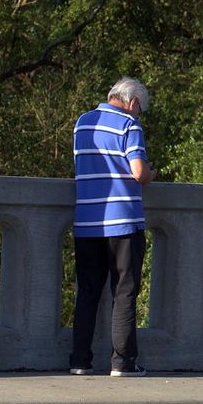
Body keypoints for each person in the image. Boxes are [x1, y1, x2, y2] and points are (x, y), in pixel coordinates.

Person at [70, 77, 156, 377]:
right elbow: (138, 172)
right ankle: (123, 362)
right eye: (140, 110)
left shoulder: (83, 123)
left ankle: (79, 361)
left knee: (88, 292)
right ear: (133, 103)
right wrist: (151, 173)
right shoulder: (129, 126)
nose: (138, 115)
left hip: (87, 221)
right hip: (123, 222)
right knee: (124, 292)